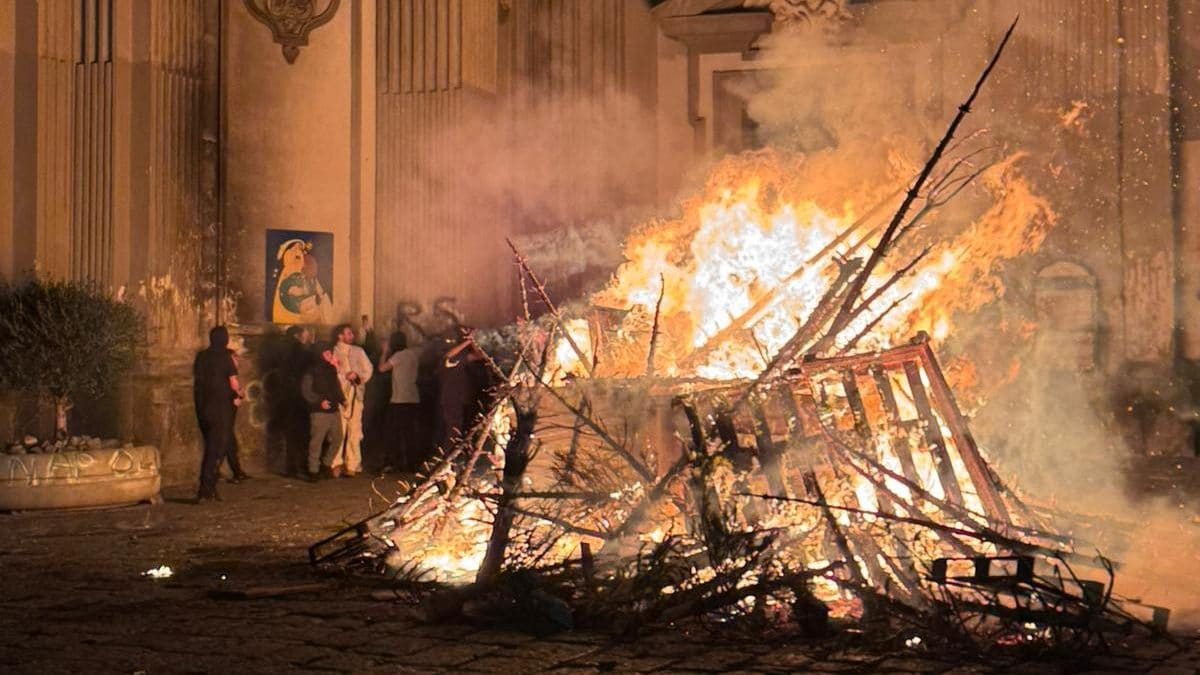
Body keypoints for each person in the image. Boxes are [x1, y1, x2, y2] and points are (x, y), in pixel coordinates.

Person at [193, 326, 243, 502]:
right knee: (217, 450)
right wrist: (238, 394)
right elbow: (233, 382)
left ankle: (210, 488)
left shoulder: (202, 357)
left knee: (211, 447)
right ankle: (205, 489)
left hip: (203, 408)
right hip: (221, 410)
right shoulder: (225, 358)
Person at [332, 323, 373, 476]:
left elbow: (368, 369)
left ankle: (353, 464)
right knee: (339, 430)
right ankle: (336, 463)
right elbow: (332, 373)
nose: (352, 336)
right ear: (340, 335)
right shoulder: (334, 352)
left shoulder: (358, 351)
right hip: (340, 397)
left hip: (356, 395)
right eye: (348, 333)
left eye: (351, 333)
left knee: (355, 430)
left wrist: (358, 377)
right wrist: (344, 377)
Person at [378, 330, 422, 471]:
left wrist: (384, 351)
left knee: (393, 433)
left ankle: (392, 463)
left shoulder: (398, 356)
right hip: (413, 398)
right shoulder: (412, 354)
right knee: (410, 433)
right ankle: (411, 464)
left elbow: (382, 368)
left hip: (399, 400)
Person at [301, 343, 346, 480]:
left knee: (338, 437)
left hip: (334, 411)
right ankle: (313, 470)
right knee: (317, 441)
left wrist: (342, 399)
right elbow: (306, 391)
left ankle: (326, 464)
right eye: (327, 354)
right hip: (319, 412)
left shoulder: (331, 370)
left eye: (330, 353)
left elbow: (336, 386)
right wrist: (319, 401)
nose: (330, 356)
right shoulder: (311, 372)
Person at [222, 348, 252, 483]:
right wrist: (237, 396)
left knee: (228, 445)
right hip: (225, 419)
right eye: (235, 357)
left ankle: (235, 471)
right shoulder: (226, 376)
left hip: (228, 420)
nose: (238, 360)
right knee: (228, 444)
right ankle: (235, 471)